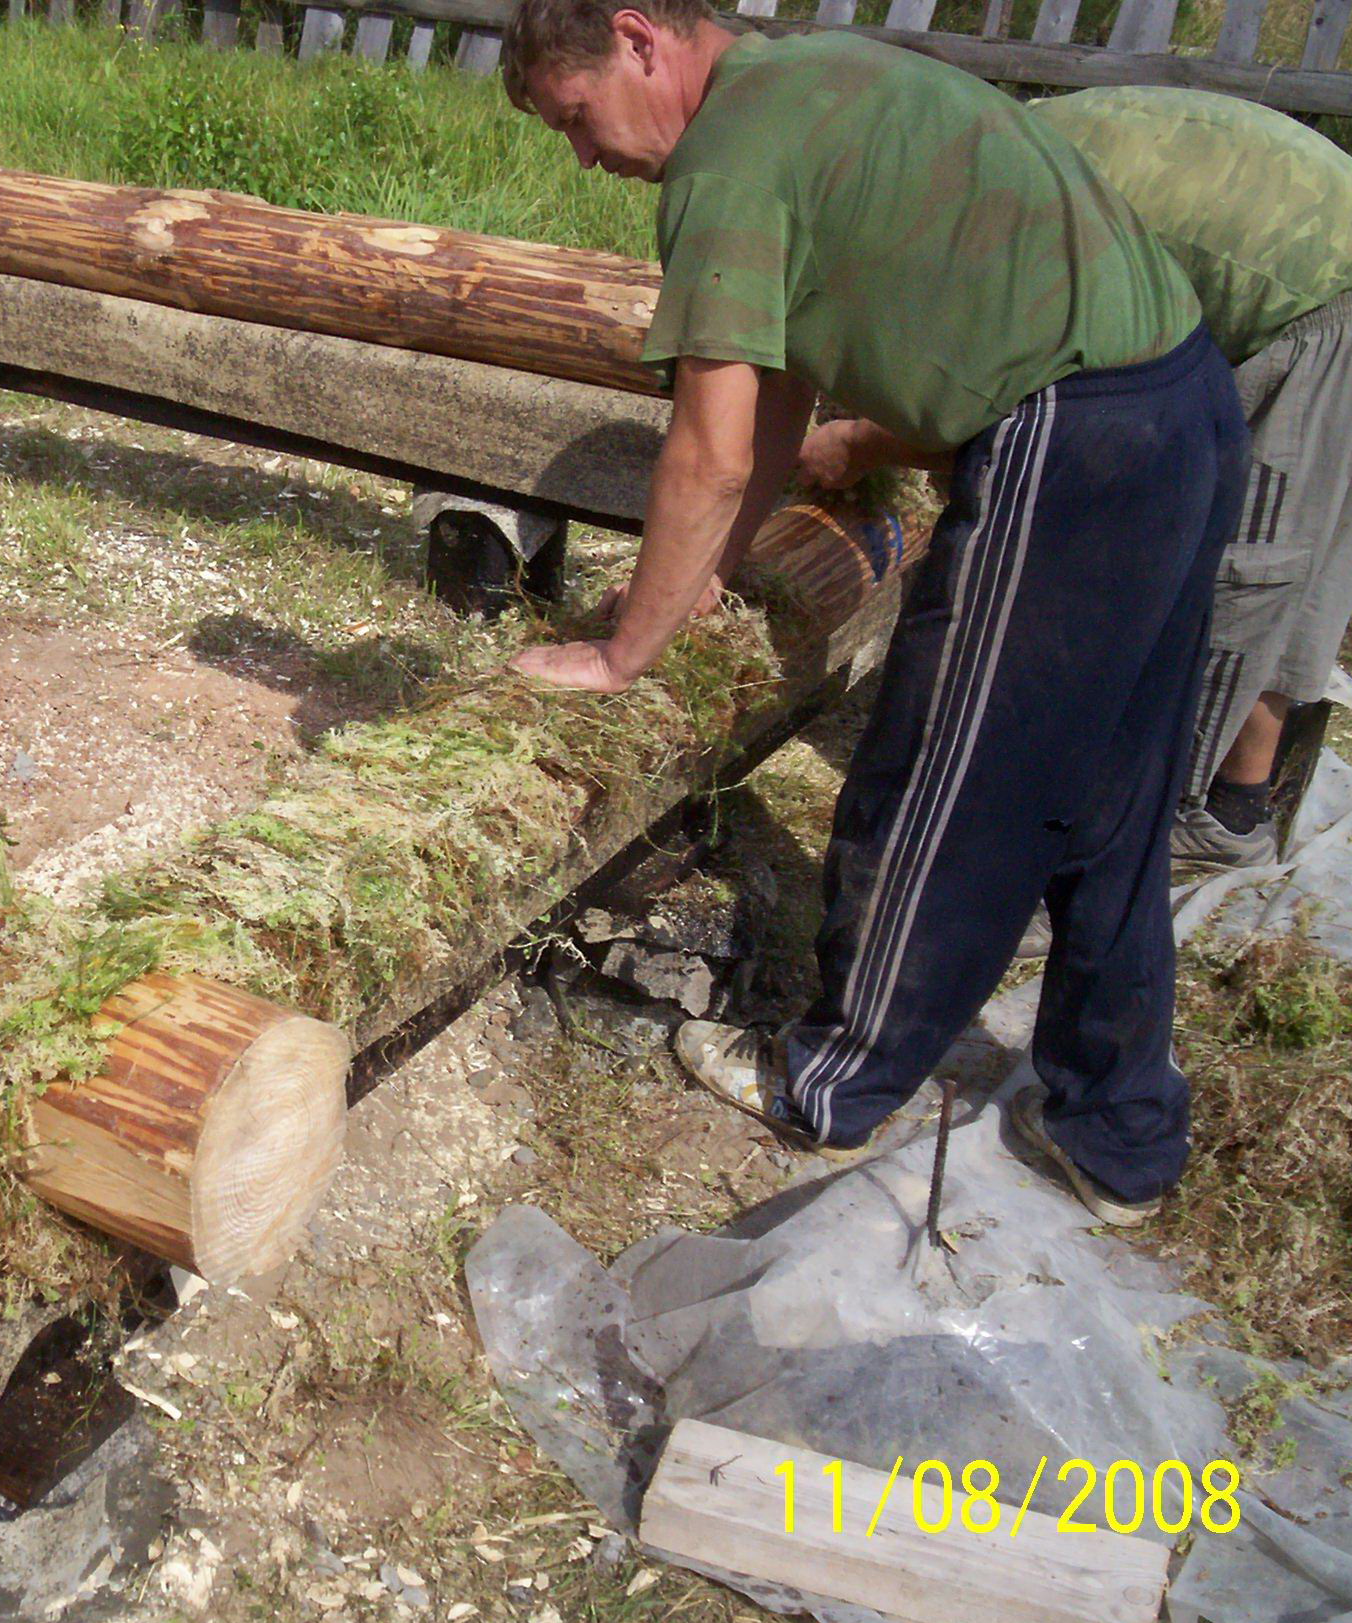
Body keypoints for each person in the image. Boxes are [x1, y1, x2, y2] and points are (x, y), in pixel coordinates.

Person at [499, 0, 1247, 1224]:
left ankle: (830, 1082)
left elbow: (712, 450)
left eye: (577, 120)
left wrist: (624, 650)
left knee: (944, 782)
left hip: (1077, 442)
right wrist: (704, 586)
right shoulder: (813, 80)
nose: (586, 159)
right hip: (1186, 402)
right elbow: (780, 392)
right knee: (1111, 800)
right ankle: (1118, 1134)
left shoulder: (727, 159)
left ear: (638, 41)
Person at [804, 86, 1352, 871]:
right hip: (1322, 255)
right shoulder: (995, 147)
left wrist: (863, 442)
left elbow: (1027, 414)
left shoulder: (980, 216)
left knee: (1245, 573)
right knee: (1308, 546)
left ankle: (1122, 838)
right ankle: (1238, 805)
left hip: (1327, 300)